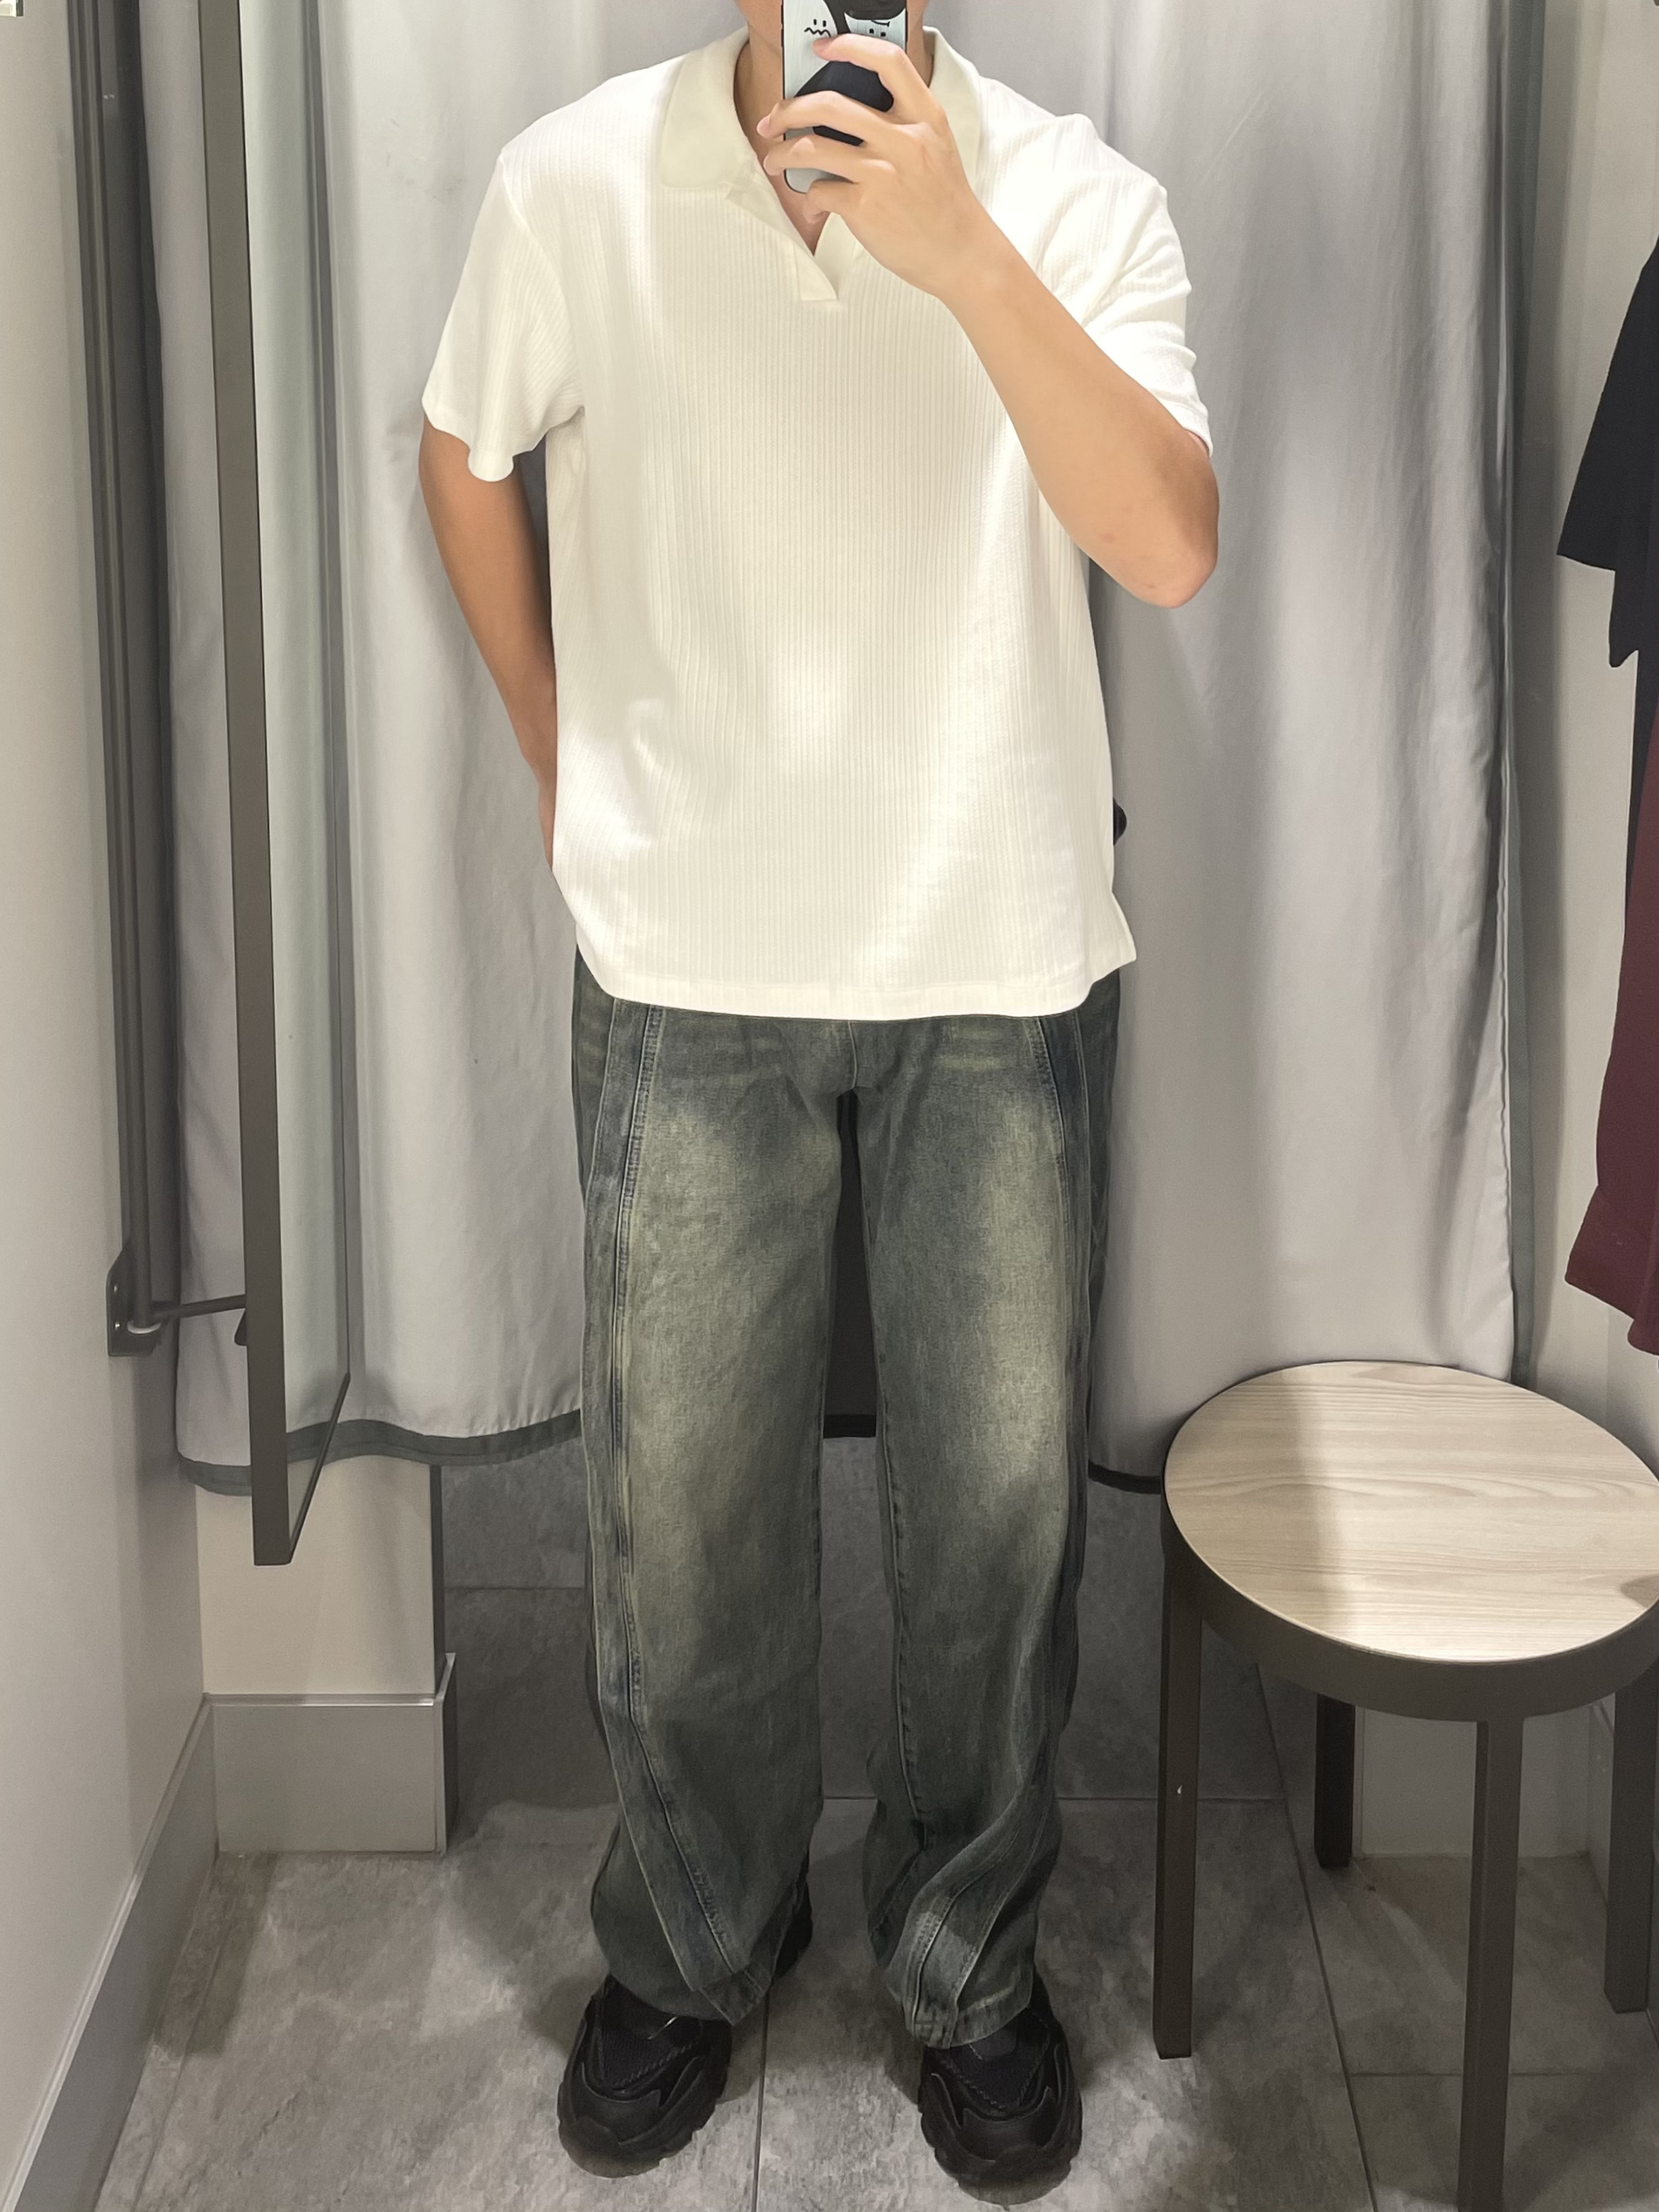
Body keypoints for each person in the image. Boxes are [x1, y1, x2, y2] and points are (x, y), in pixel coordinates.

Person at [418, 1, 1215, 2188]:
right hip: (684, 958)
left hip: (996, 951)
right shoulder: (577, 181)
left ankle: (963, 1962)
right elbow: (462, 446)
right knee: (677, 1524)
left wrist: (960, 254)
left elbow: (1166, 543)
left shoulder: (1072, 193)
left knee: (993, 1527)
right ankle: (692, 1939)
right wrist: (555, 748)